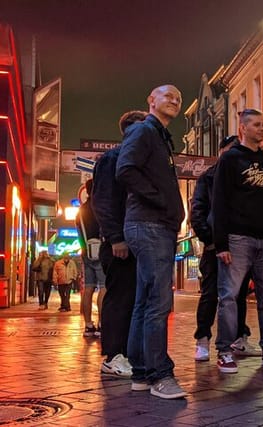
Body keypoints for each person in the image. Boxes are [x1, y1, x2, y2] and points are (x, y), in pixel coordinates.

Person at [115, 85, 187, 399]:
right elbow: (125, 170)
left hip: (154, 225)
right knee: (158, 303)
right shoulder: (144, 131)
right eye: (168, 95)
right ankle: (160, 375)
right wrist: (160, 201)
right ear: (151, 100)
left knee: (145, 303)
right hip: (149, 225)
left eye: (178, 99)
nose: (174, 100)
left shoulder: (159, 137)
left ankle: (141, 373)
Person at [213, 108, 263, 373]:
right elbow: (220, 202)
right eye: (257, 125)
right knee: (229, 296)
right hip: (237, 238)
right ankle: (225, 350)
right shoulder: (230, 160)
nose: (262, 129)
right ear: (243, 129)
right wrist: (222, 243)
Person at [190, 135, 260, 362]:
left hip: (241, 245)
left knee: (238, 295)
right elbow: (198, 212)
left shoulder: (245, 178)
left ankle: (239, 338)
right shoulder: (208, 178)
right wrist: (211, 240)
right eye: (231, 151)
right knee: (210, 294)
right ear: (221, 153)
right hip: (214, 247)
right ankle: (202, 339)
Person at [92, 110, 146, 379]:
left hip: (138, 238)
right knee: (120, 297)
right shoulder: (112, 158)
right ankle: (113, 356)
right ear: (129, 130)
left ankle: (129, 351)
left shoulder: (139, 159)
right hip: (119, 242)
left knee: (136, 298)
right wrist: (116, 237)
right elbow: (102, 201)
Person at [75, 178, 106, 338]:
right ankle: (101, 323)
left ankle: (88, 325)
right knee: (104, 287)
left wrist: (84, 248)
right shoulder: (100, 207)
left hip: (86, 251)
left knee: (88, 288)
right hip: (100, 251)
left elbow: (79, 234)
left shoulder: (81, 211)